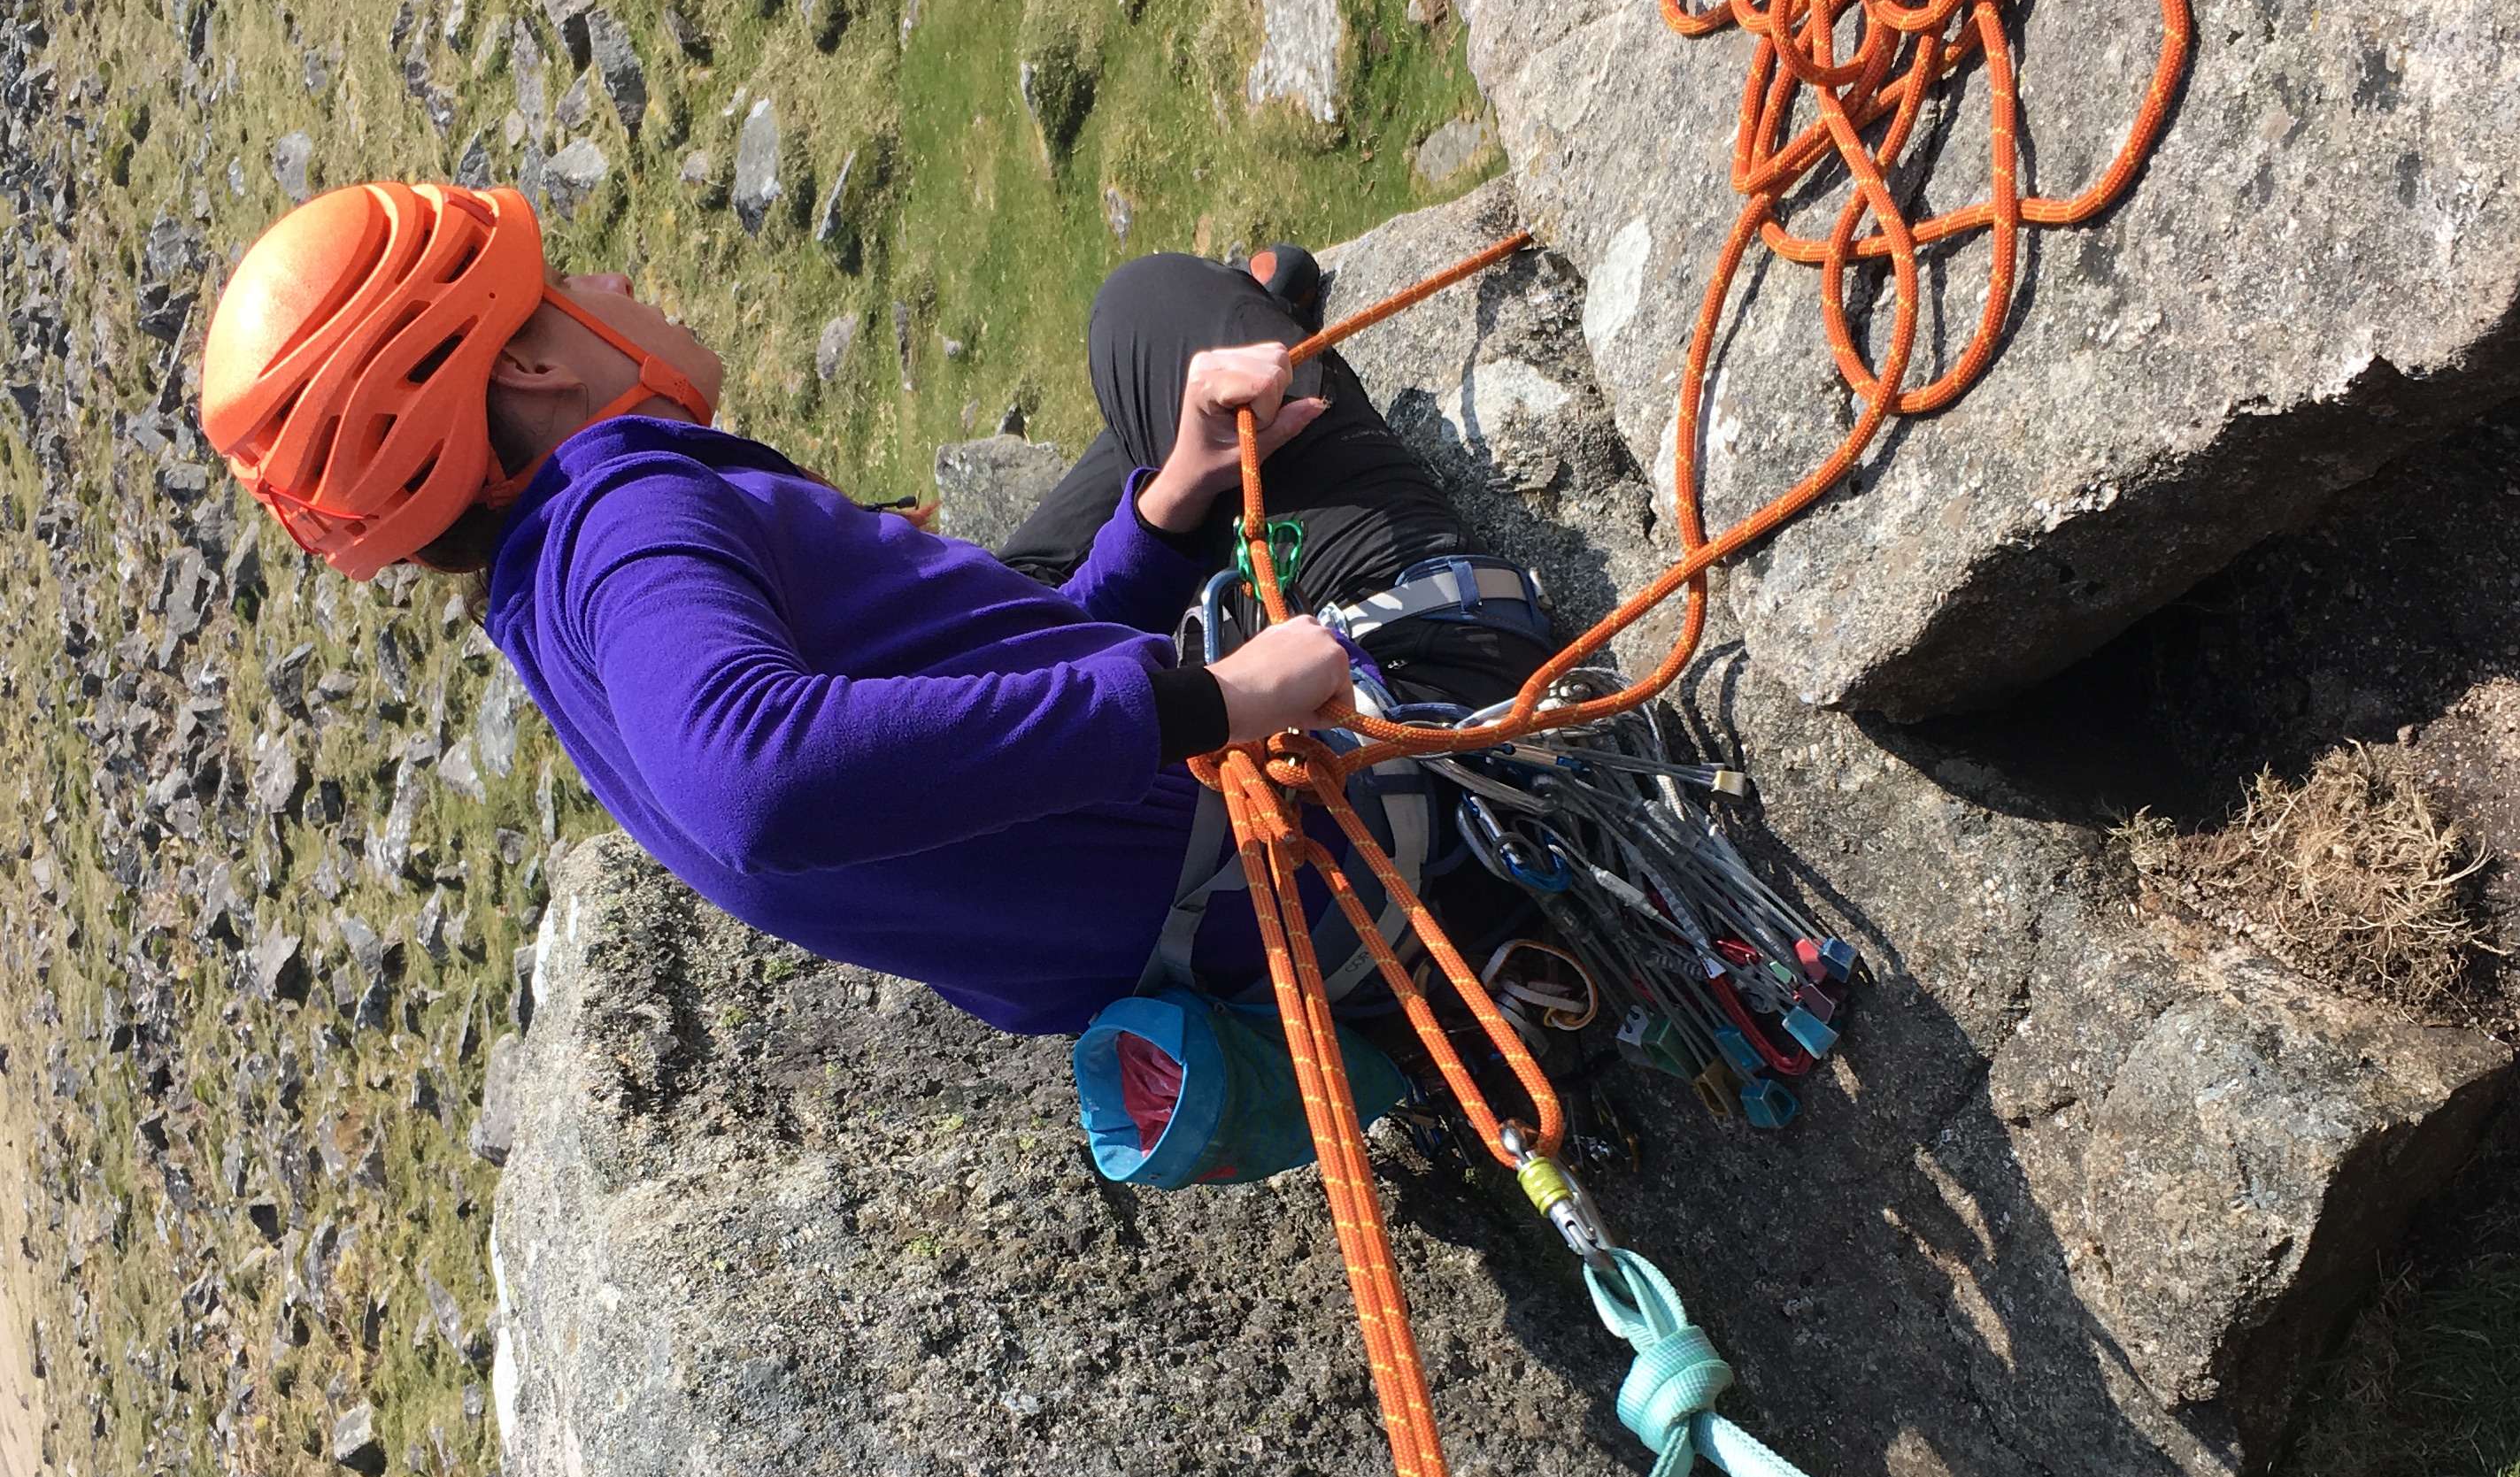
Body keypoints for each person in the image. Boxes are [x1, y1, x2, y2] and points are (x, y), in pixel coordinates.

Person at [197, 179, 1549, 1037]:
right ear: (541, 359)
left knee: (1152, 426)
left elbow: (986, 661)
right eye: (571, 283)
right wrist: (1214, 696)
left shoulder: (552, 602)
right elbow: (757, 780)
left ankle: (1217, 375)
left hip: (1223, 930)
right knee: (1152, 306)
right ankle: (1244, 312)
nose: (615, 289)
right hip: (1366, 826)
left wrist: (1168, 512)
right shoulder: (631, 523)